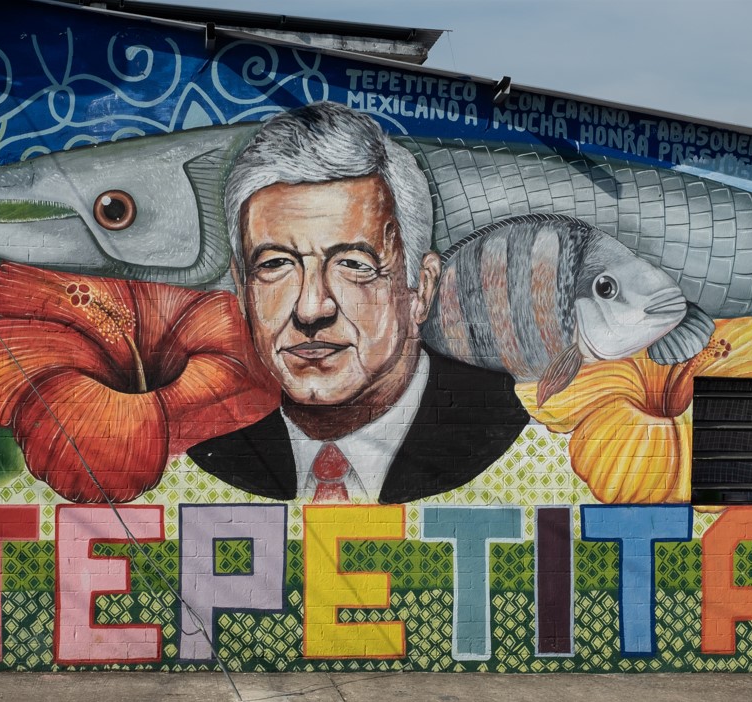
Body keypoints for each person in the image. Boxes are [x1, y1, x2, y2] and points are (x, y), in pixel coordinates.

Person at [187, 102, 528, 503]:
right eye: (276, 264)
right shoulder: (216, 464)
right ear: (242, 288)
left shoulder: (510, 435)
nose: (311, 308)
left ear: (422, 287)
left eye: (352, 264)